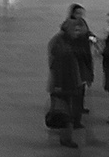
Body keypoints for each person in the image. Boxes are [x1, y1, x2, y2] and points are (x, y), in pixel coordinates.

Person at [47, 18, 86, 149]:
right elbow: (58, 67)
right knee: (66, 114)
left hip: (66, 83)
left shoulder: (63, 41)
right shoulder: (62, 46)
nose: (78, 32)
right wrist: (58, 85)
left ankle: (65, 136)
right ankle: (66, 138)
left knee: (66, 112)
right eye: (75, 30)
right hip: (64, 84)